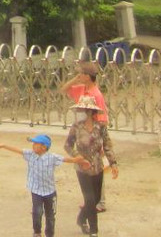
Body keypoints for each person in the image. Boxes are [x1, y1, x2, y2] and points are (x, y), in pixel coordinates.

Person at [0, 134, 90, 237]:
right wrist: (3, 146)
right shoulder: (30, 155)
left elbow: (68, 160)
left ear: (44, 147)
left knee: (50, 215)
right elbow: (17, 150)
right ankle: (37, 232)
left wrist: (80, 160)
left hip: (50, 192)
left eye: (36, 144)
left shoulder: (52, 157)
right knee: (37, 212)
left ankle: (49, 234)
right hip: (36, 191)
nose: (33, 145)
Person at [64, 95, 118, 237]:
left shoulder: (100, 127)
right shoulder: (76, 127)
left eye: (86, 110)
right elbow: (68, 145)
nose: (83, 112)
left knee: (95, 198)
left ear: (91, 112)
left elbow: (107, 145)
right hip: (82, 168)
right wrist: (78, 157)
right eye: (82, 109)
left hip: (97, 166)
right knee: (89, 198)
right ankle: (94, 231)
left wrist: (113, 163)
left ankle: (82, 218)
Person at [59, 61, 110, 211]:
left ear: (88, 76)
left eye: (81, 73)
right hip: (82, 133)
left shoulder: (96, 94)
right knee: (85, 167)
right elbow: (64, 89)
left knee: (96, 168)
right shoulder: (82, 89)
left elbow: (101, 118)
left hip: (92, 134)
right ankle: (90, 200)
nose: (79, 75)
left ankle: (99, 201)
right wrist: (76, 79)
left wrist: (100, 141)